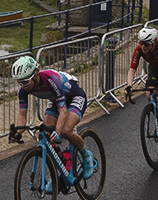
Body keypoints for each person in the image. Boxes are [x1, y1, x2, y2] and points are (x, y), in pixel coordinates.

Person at [8, 55, 94, 187]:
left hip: (75, 97)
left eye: (25, 82)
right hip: (56, 101)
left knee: (65, 131)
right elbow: (22, 113)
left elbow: (63, 111)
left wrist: (58, 132)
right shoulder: (23, 89)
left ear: (35, 75)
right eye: (19, 82)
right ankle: (59, 170)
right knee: (45, 134)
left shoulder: (50, 80)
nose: (22, 86)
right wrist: (19, 132)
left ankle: (87, 157)